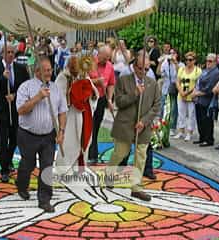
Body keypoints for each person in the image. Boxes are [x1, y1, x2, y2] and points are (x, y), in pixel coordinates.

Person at [106, 51, 161, 201]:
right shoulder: (123, 81)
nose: (144, 72)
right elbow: (119, 102)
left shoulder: (153, 84)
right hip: (124, 126)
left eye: (147, 69)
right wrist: (135, 93)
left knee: (140, 157)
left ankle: (136, 187)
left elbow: (156, 106)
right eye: (141, 68)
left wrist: (144, 121)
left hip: (143, 128)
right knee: (120, 153)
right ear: (134, 67)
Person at [16, 57, 67, 212]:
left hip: (48, 136)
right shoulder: (25, 87)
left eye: (50, 70)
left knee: (47, 167)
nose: (49, 73)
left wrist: (61, 131)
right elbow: (21, 110)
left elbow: (62, 111)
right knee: (28, 164)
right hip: (28, 134)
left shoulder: (56, 88)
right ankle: (22, 185)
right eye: (46, 70)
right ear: (37, 71)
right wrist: (38, 97)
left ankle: (44, 199)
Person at [55, 56, 98, 174]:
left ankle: (79, 166)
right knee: (69, 141)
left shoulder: (83, 75)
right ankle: (64, 169)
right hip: (69, 117)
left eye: (77, 66)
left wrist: (91, 94)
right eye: (73, 66)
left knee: (83, 139)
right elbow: (58, 98)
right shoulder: (63, 77)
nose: (75, 69)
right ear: (69, 66)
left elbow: (94, 92)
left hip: (83, 115)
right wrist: (70, 95)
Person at [0, 43, 29, 182]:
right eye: (7, 52)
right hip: (2, 110)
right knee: (3, 140)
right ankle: (4, 170)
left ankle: (7, 160)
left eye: (12, 52)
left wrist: (14, 95)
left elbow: (26, 87)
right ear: (2, 53)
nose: (10, 55)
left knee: (14, 138)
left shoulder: (20, 68)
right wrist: (3, 79)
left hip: (16, 109)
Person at [89, 45, 115, 164]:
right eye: (104, 58)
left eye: (108, 58)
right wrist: (96, 82)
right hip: (88, 99)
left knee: (96, 126)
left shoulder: (110, 66)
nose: (106, 61)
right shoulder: (89, 63)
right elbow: (82, 80)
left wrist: (109, 99)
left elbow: (111, 83)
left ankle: (93, 153)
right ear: (98, 54)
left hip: (101, 99)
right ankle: (89, 153)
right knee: (88, 126)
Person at [192, 53, 219, 147]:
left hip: (207, 100)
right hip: (199, 99)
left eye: (210, 61)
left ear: (215, 62)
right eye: (207, 60)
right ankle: (202, 137)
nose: (208, 63)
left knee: (207, 121)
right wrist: (195, 92)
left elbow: (210, 88)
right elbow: (198, 82)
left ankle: (208, 139)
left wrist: (197, 93)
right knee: (199, 119)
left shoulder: (216, 73)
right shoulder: (205, 71)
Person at [174, 52, 202, 141]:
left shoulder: (198, 70)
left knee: (191, 114)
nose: (188, 62)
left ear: (194, 60)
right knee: (181, 114)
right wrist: (181, 92)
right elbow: (177, 81)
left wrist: (188, 92)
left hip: (191, 95)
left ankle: (189, 132)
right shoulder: (181, 69)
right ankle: (181, 131)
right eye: (186, 60)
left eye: (190, 60)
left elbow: (198, 84)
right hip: (181, 95)